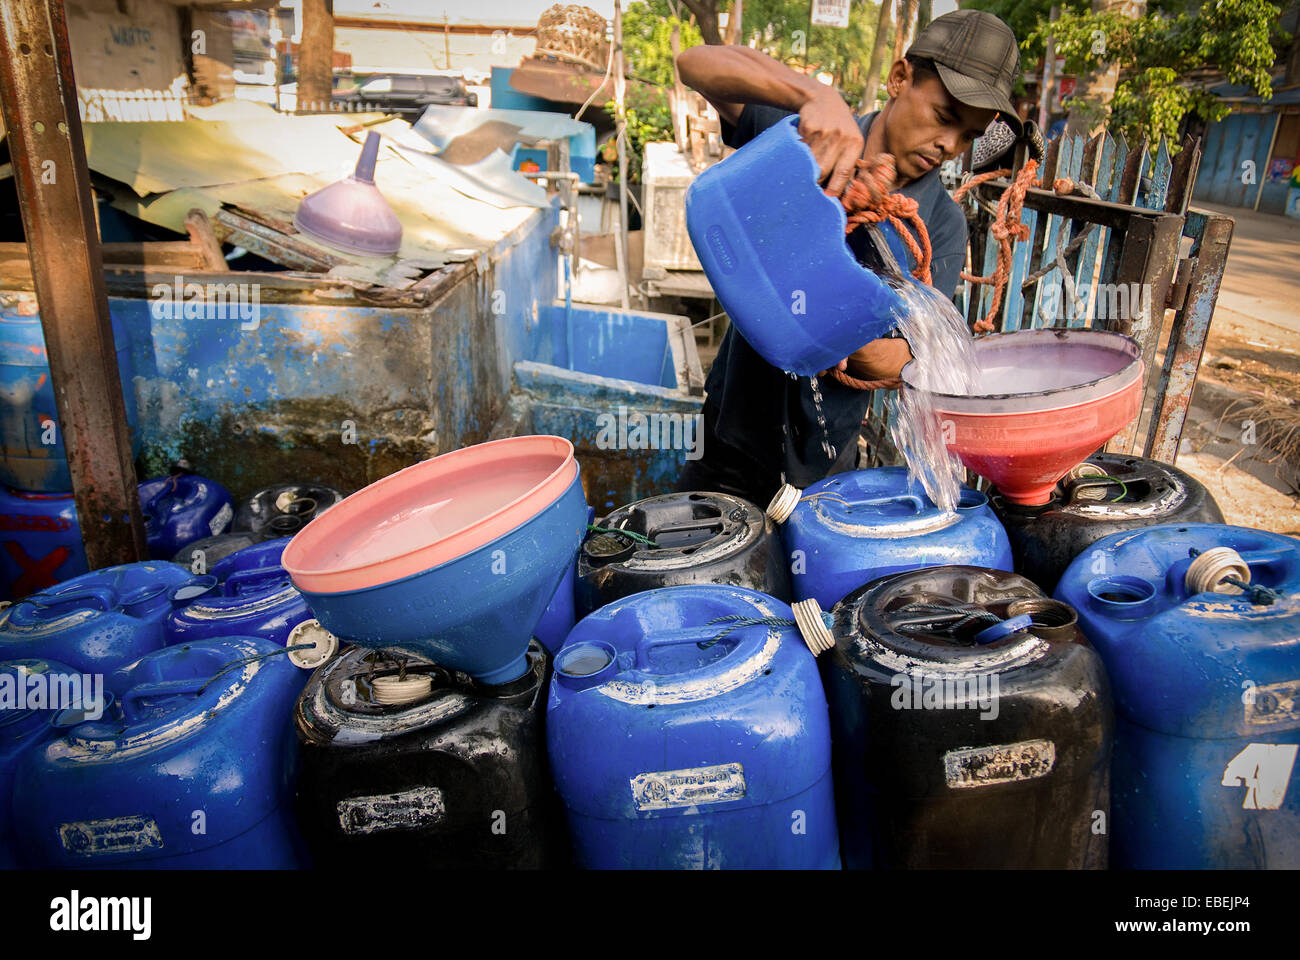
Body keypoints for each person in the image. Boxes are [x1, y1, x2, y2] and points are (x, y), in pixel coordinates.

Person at [675, 10, 1024, 508]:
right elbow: (694, 63)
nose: (949, 146)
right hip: (728, 434)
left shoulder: (940, 224)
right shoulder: (808, 139)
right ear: (900, 78)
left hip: (825, 463)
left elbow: (906, 355)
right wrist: (811, 94)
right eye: (945, 117)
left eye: (968, 137)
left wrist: (831, 326)